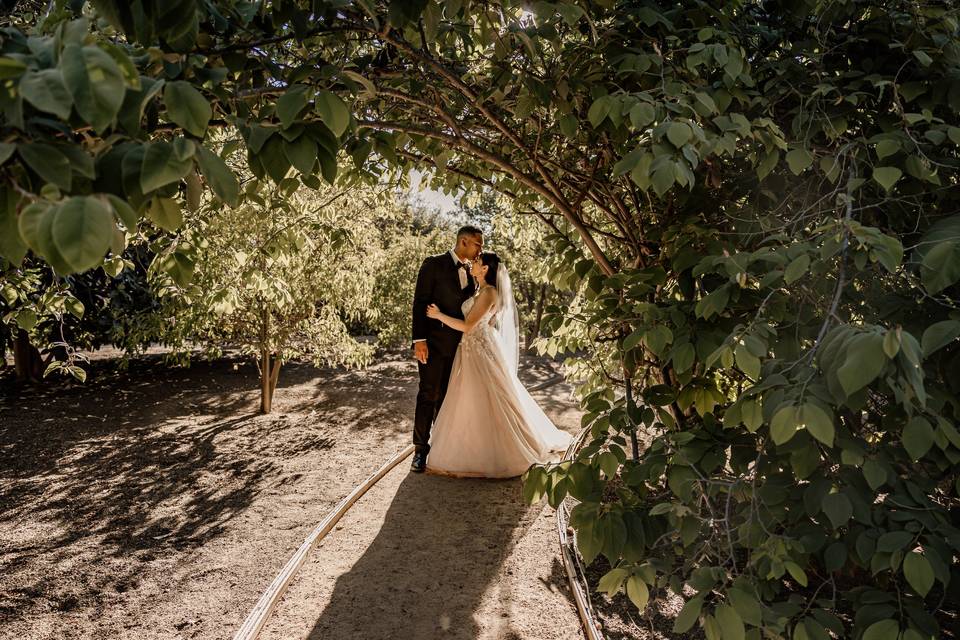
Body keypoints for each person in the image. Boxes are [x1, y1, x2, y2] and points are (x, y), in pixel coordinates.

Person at [424, 251, 572, 478]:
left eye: (477, 262)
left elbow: (467, 326)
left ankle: (498, 453)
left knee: (489, 397)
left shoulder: (489, 292)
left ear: (485, 269)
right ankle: (473, 447)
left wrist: (438, 315)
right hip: (476, 347)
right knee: (473, 398)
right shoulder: (481, 290)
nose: (472, 264)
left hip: (478, 348)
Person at [409, 226, 484, 473]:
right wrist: (419, 339)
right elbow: (420, 302)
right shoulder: (433, 264)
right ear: (463, 242)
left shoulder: (472, 272)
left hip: (461, 348)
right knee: (427, 393)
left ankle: (441, 448)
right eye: (477, 244)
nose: (479, 250)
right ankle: (420, 450)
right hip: (432, 344)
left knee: (448, 397)